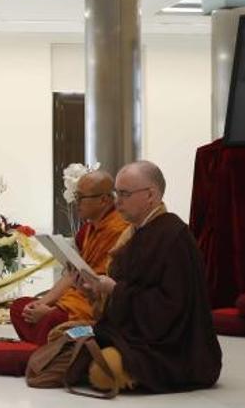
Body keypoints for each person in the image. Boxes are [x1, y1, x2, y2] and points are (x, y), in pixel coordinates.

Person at [79, 160, 222, 393]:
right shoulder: (135, 233)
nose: (117, 201)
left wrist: (115, 291)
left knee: (101, 371)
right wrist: (96, 293)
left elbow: (171, 308)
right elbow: (126, 291)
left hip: (171, 350)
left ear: (151, 195)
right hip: (133, 335)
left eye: (124, 194)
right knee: (69, 342)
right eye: (117, 193)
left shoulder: (174, 237)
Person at [10, 170, 126, 344]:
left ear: (104, 200)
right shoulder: (88, 230)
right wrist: (44, 302)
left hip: (91, 308)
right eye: (75, 196)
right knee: (20, 308)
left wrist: (51, 312)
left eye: (80, 198)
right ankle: (46, 347)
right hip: (72, 299)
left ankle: (45, 349)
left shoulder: (119, 230)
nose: (76, 203)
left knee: (52, 320)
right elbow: (72, 274)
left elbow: (100, 288)